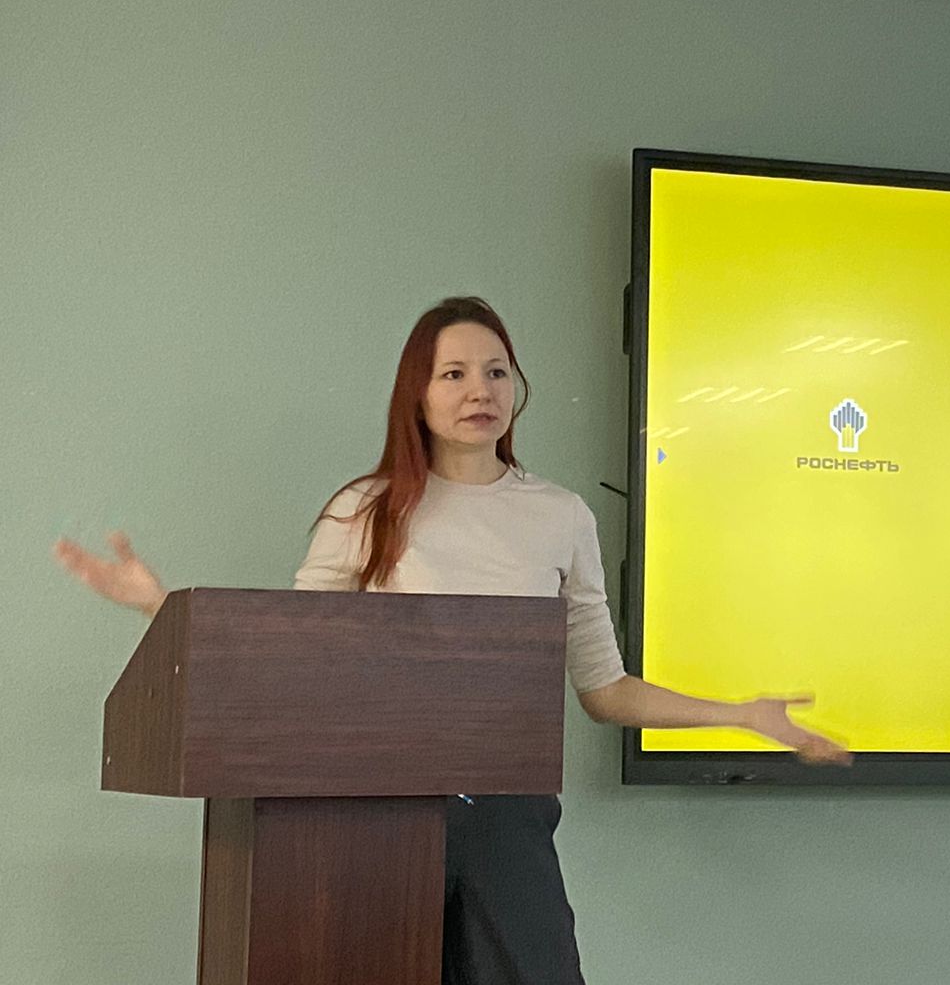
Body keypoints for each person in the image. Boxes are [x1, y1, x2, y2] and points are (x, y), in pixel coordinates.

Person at [55, 295, 850, 985]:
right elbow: (293, 660)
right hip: (372, 820)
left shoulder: (561, 516)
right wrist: (159, 605)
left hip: (508, 819)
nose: (480, 390)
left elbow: (604, 690)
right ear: (418, 393)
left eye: (497, 372)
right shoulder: (364, 510)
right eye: (455, 373)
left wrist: (741, 715)